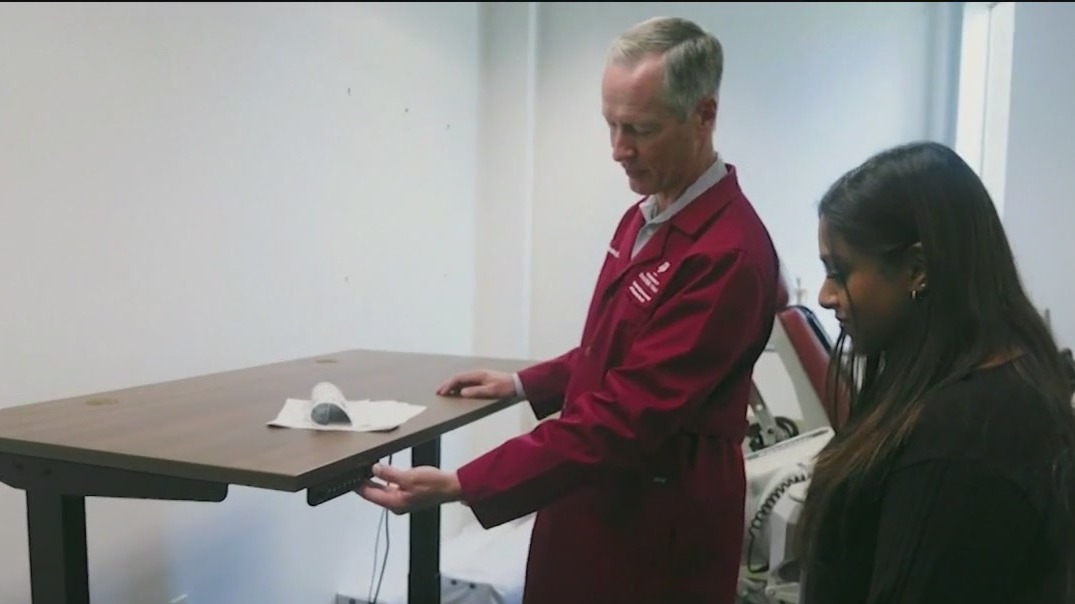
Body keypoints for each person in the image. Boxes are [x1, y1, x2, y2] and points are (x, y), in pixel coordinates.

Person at [356, 15, 780, 604]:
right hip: (596, 499)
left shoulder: (726, 256)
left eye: (640, 129)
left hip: (656, 524)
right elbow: (616, 350)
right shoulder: (649, 211)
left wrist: (464, 482)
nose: (617, 150)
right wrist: (519, 382)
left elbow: (628, 412)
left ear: (703, 115)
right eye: (610, 124)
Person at [796, 140, 1075, 604]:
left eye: (839, 271)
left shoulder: (962, 443)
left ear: (917, 268)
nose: (825, 295)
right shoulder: (984, 382)